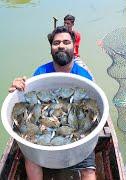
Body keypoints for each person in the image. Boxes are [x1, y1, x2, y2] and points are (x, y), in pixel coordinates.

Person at [9, 26, 96, 180]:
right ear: (51, 49)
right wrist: (18, 88)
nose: (61, 45)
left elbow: (89, 110)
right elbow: (29, 100)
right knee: (31, 158)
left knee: (89, 171)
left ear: (74, 46)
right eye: (56, 43)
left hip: (76, 132)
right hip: (45, 127)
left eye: (66, 42)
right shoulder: (41, 73)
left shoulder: (84, 78)